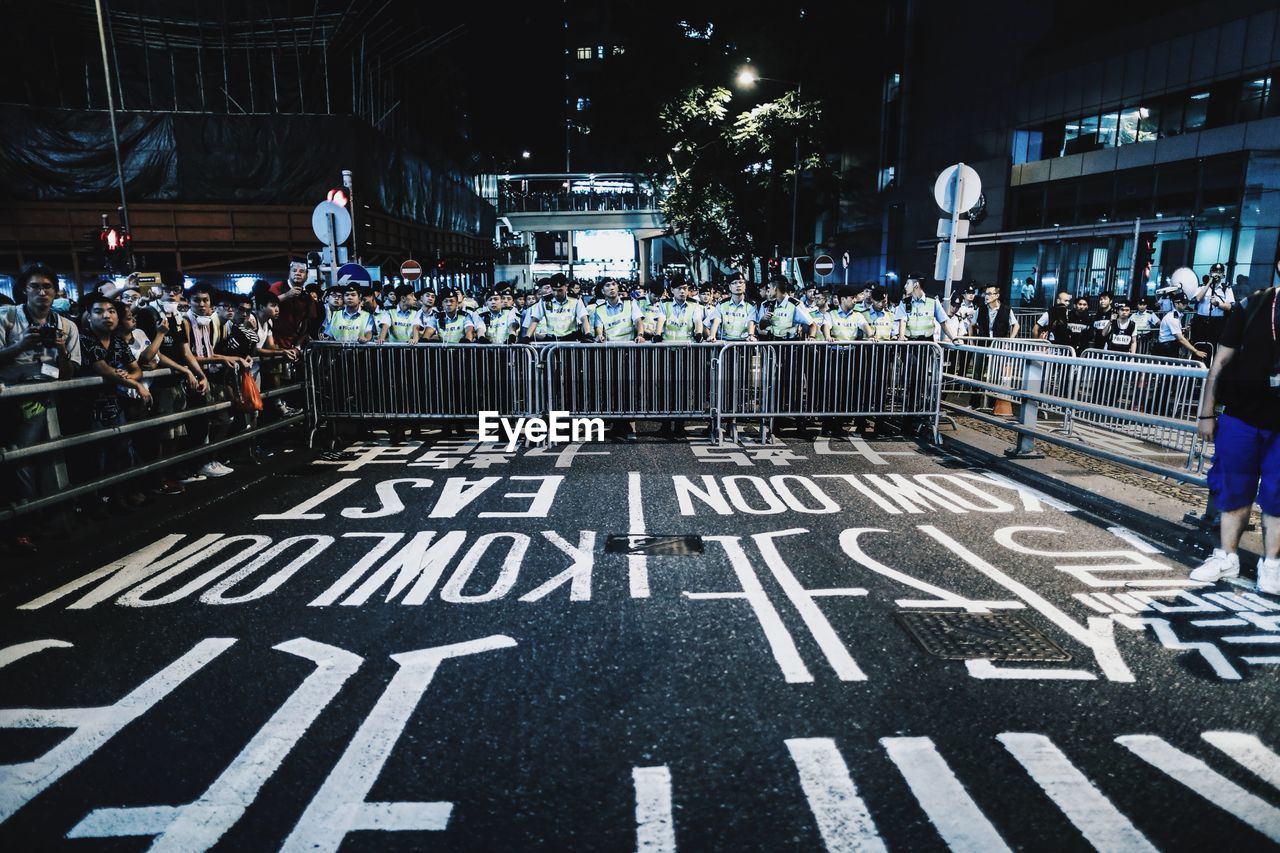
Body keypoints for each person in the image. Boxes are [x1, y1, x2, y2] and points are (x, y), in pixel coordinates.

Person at [1190, 272, 1280, 593]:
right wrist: (1206, 412)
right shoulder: (1253, 305)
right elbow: (1220, 362)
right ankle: (1227, 556)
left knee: (1277, 495)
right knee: (1233, 488)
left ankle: (1272, 565)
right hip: (1241, 416)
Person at [0, 263, 83, 550]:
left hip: (46, 400)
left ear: (56, 291)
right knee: (18, 460)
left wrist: (60, 350)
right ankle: (22, 523)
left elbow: (70, 373)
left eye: (47, 287)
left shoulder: (66, 325)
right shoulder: (6, 317)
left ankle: (40, 519)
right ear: (24, 289)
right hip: (9, 399)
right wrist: (21, 346)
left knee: (38, 460)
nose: (42, 292)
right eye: (35, 286)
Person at [526, 275, 588, 341]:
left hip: (570, 339)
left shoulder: (575, 299)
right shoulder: (545, 300)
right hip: (551, 339)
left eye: (560, 290)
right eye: (554, 290)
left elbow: (584, 318)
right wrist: (527, 337)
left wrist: (588, 333)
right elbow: (535, 320)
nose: (556, 294)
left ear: (566, 287)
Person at [1191, 261, 1234, 347]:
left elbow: (1229, 306)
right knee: (1199, 344)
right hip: (1201, 320)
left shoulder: (1226, 288)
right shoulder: (1201, 287)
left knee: (1214, 345)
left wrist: (1217, 303)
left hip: (1218, 322)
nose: (1217, 274)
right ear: (1210, 273)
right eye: (1215, 272)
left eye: (1219, 272)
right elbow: (1198, 298)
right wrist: (1209, 283)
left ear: (1223, 275)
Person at [895, 275, 950, 342]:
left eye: (908, 283)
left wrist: (954, 339)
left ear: (916, 285)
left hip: (928, 344)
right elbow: (903, 321)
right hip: (909, 344)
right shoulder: (904, 302)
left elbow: (943, 322)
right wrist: (901, 336)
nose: (905, 286)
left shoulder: (933, 301)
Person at [1153, 293, 1206, 360]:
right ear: (1176, 304)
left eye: (1186, 303)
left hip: (1170, 346)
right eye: (1183, 303)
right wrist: (1196, 351)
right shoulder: (1172, 318)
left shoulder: (1177, 316)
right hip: (1166, 349)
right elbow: (1180, 339)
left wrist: (1184, 331)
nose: (1186, 305)